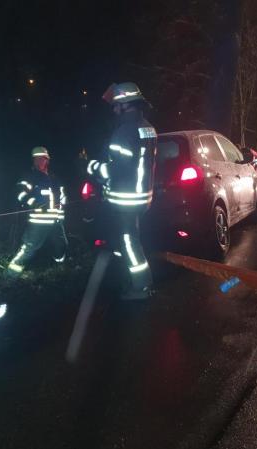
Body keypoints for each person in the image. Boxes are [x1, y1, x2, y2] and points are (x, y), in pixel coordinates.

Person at [86, 82, 157, 300]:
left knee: (128, 241)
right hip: (141, 196)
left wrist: (94, 168)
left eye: (117, 106)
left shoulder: (125, 131)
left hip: (125, 198)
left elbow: (118, 168)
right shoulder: (146, 127)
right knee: (127, 239)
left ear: (126, 105)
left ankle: (141, 287)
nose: (114, 110)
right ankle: (127, 277)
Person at [6, 146, 69, 278]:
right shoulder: (29, 176)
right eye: (36, 159)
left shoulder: (54, 178)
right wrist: (35, 203)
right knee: (28, 249)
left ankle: (60, 269)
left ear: (47, 160)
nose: (39, 161)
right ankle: (9, 276)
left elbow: (63, 196)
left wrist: (62, 206)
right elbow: (20, 193)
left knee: (61, 246)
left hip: (56, 221)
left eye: (42, 158)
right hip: (38, 221)